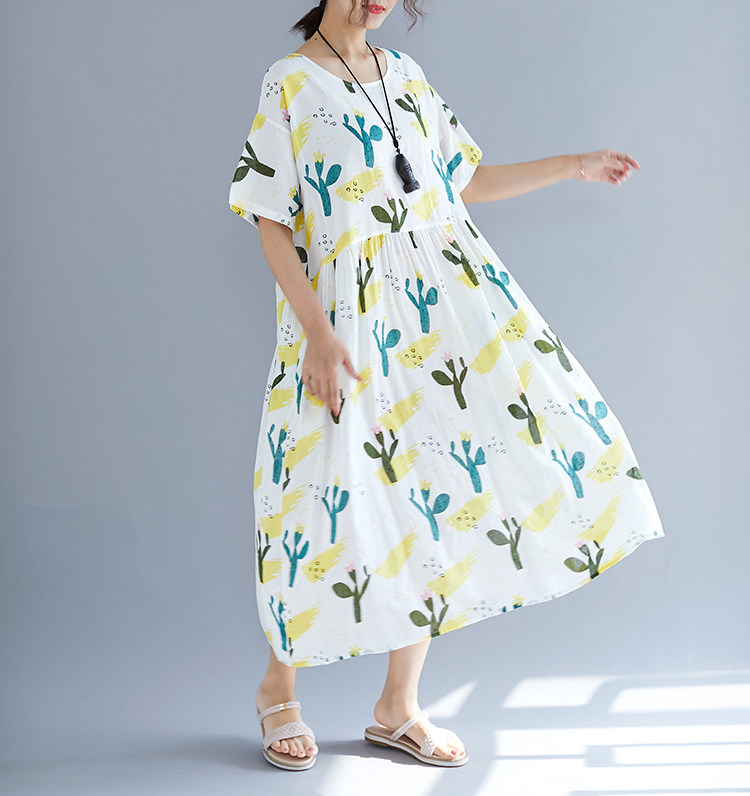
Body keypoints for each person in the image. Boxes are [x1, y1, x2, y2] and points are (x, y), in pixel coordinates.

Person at [228, 0, 665, 771]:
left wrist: (575, 164)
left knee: (430, 487)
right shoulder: (289, 83)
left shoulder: (405, 74)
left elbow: (460, 180)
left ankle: (398, 705)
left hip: (438, 312)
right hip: (343, 319)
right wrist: (318, 333)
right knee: (313, 492)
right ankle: (277, 687)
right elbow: (271, 219)